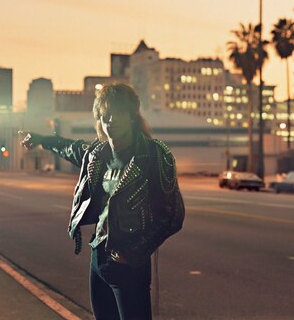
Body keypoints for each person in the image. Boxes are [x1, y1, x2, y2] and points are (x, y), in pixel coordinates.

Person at [19, 83, 185, 320]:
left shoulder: (154, 155)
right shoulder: (98, 154)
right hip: (99, 258)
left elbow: (173, 215)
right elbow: (71, 148)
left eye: (118, 113)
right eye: (105, 116)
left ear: (131, 116)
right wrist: (41, 139)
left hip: (130, 263)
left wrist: (135, 251)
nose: (111, 121)